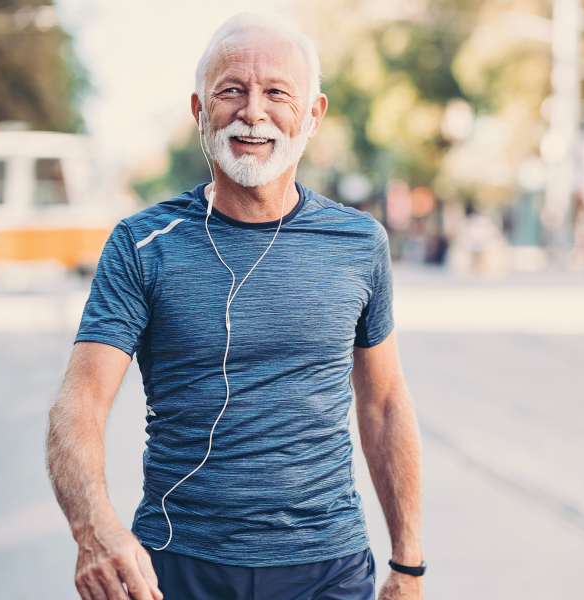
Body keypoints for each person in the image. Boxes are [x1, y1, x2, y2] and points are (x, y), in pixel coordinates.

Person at [45, 13, 424, 600]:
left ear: (314, 114)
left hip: (327, 568)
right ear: (199, 110)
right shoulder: (141, 243)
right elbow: (80, 402)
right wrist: (93, 531)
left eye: (277, 92)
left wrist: (409, 563)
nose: (253, 111)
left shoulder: (359, 242)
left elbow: (384, 404)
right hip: (177, 565)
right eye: (231, 91)